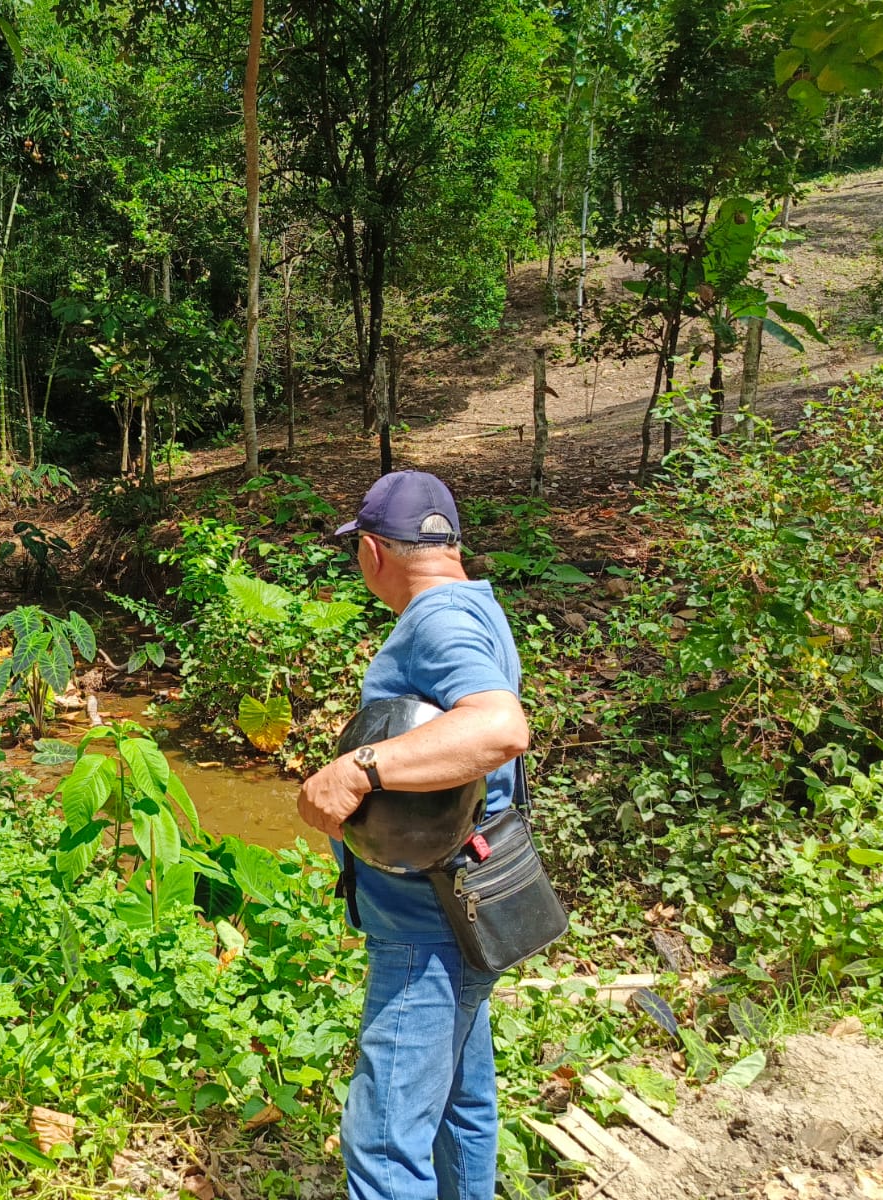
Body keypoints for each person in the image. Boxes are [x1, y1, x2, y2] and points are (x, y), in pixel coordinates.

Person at [297, 470, 530, 1200]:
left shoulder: (435, 622)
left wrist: (358, 769)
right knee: (461, 1105)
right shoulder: (476, 605)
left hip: (426, 924)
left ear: (371, 551)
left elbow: (499, 728)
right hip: (464, 911)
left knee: (384, 1141)